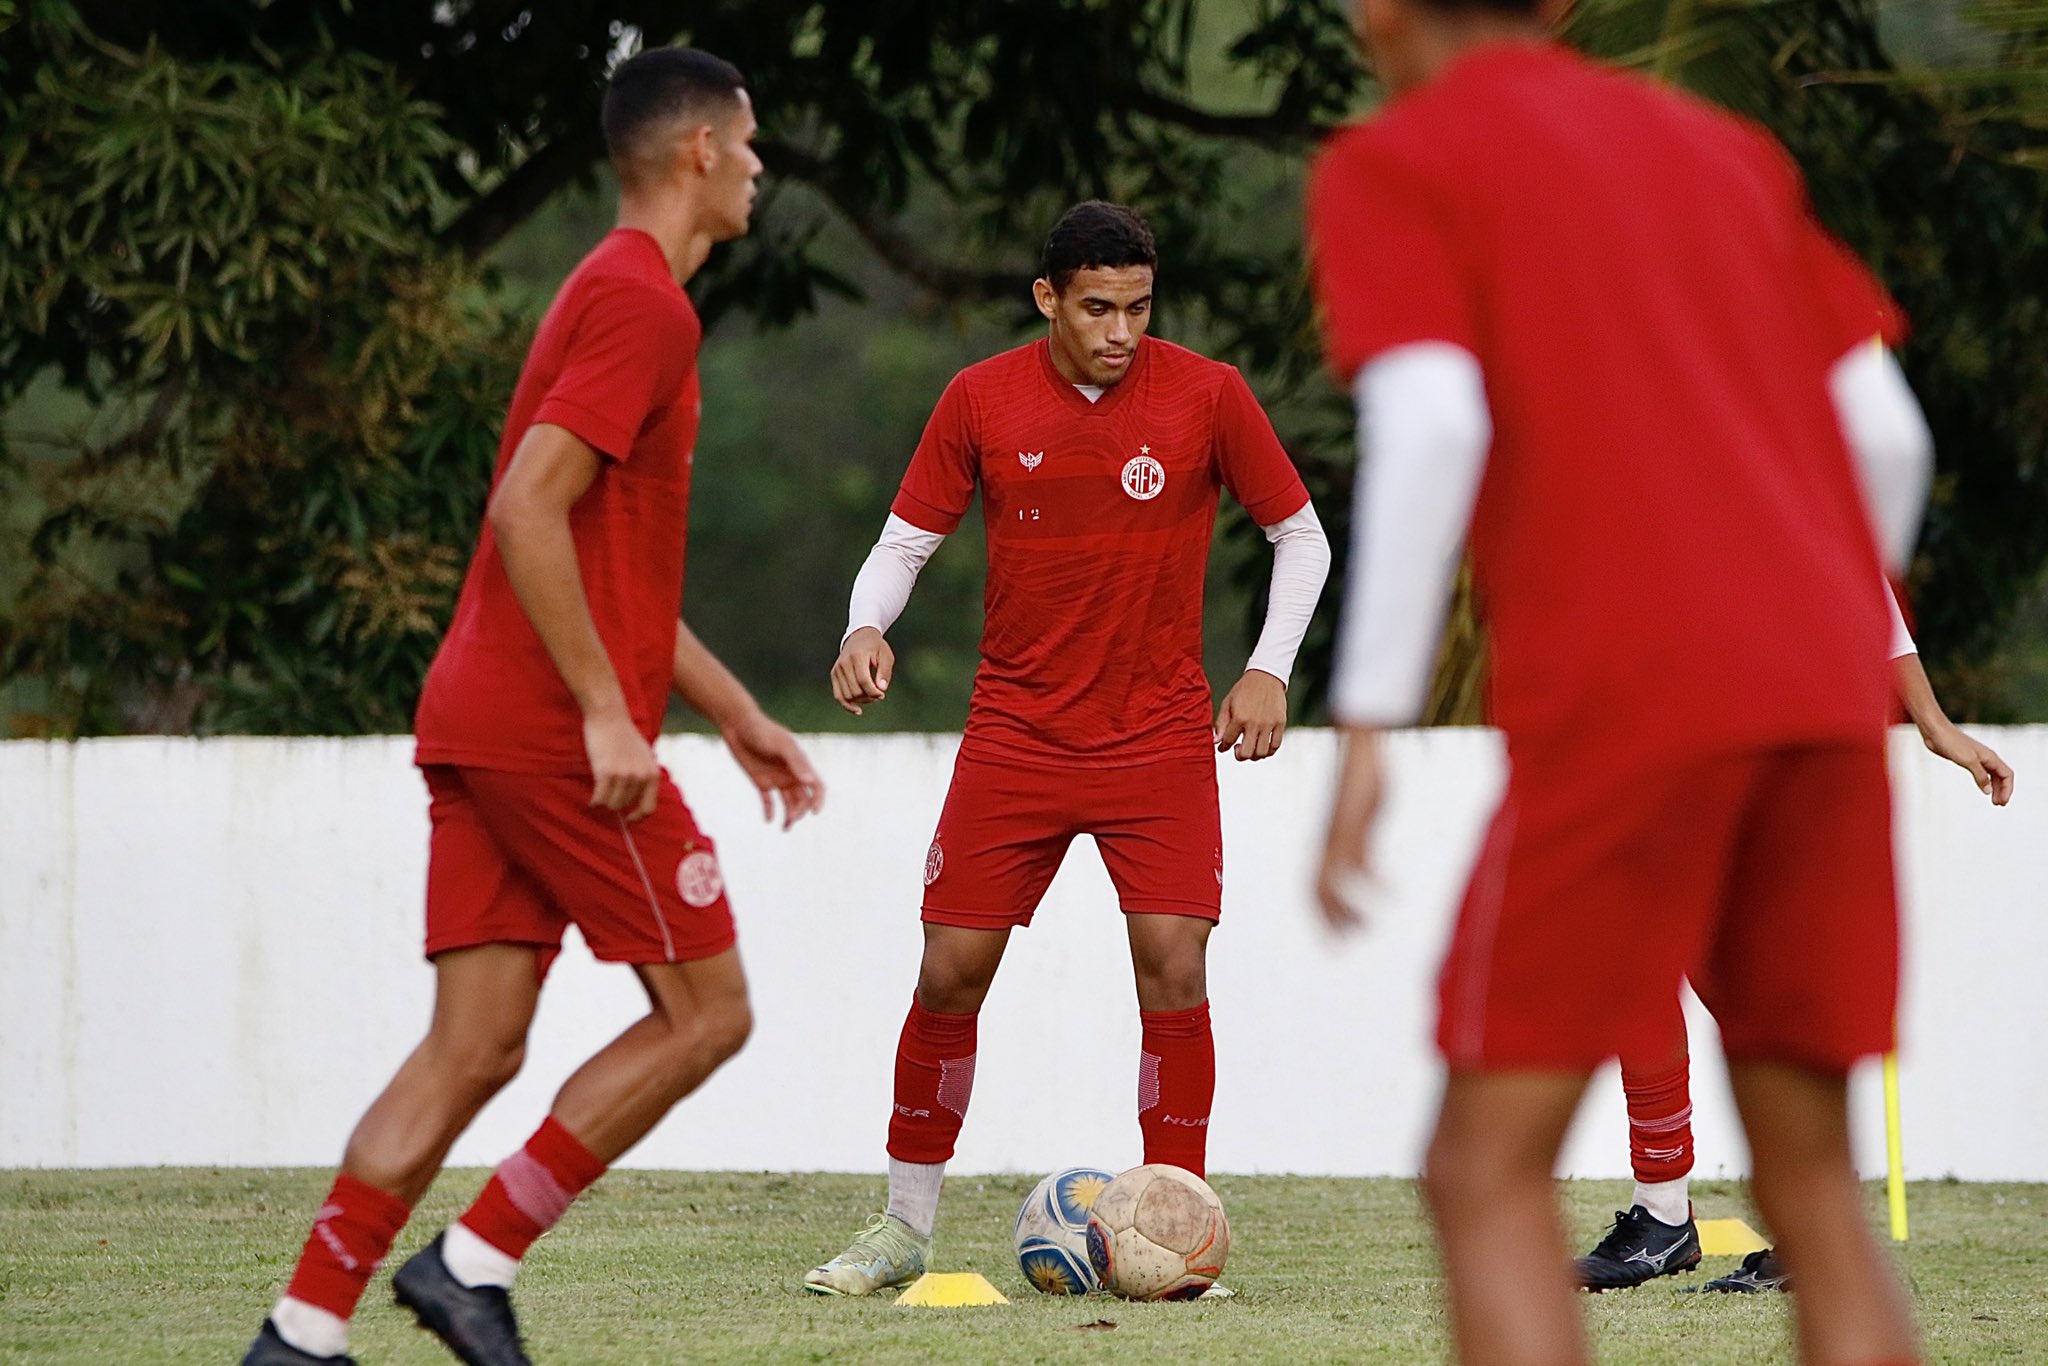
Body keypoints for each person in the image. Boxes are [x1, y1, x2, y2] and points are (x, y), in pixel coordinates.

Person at [1307, 0, 1934, 1362]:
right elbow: (1886, 432)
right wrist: (1810, 628)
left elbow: (1431, 423)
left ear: (1378, 11)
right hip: (1822, 700)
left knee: (1485, 1166)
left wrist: (1363, 721)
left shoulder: (1399, 160)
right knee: (1815, 1183)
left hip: (1636, 698)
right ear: (1559, 5)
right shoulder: (1719, 150)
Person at [243, 47, 824, 1366]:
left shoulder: (609, 291)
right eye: (747, 145)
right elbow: (524, 512)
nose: (757, 168)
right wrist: (606, 717)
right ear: (694, 154)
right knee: (709, 1010)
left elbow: (595, 554)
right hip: (554, 733)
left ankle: (301, 1330)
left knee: (475, 1043)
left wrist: (730, 710)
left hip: (480, 715)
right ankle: (472, 1259)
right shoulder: (647, 308)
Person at [802, 201, 1331, 1296]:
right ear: (1047, 298)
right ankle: (901, 1227)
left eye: (1138, 307)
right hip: (1016, 731)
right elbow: (905, 541)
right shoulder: (980, 398)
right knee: (949, 971)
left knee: (1174, 965)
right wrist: (864, 627)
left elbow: (1299, 533)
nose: (1120, 330)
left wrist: (1268, 665)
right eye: (1097, 306)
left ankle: (1177, 1235)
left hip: (1155, 735)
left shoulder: (1207, 394)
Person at [1581, 618, 2014, 1293]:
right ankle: (1664, 1214)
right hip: (1658, 708)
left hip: (1765, 709)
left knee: (1740, 974)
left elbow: (1858, 567)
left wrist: (1932, 721)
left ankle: (1809, 1228)